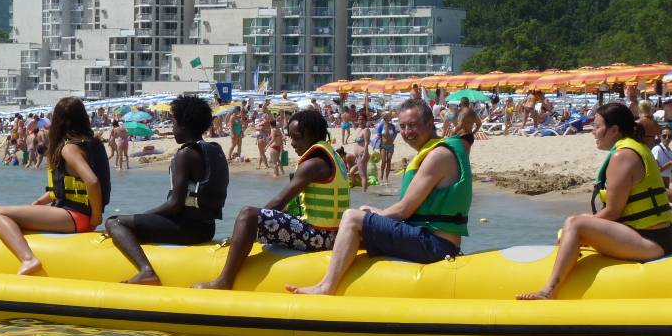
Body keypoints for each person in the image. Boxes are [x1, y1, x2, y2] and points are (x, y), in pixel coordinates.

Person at [287, 98, 471, 295]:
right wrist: (370, 214)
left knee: (351, 217)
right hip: (428, 238)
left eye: (412, 125)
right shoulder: (436, 151)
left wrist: (366, 218)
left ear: (430, 123)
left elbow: (403, 211)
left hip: (436, 245)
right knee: (364, 210)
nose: (407, 132)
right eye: (402, 126)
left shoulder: (438, 155)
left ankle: (326, 287)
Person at [518, 103, 672, 300]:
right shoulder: (637, 147)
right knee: (576, 223)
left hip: (650, 242)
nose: (593, 132)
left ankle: (548, 291)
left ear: (614, 130)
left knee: (574, 223)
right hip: (658, 236)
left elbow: (613, 212)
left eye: (597, 126)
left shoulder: (623, 155)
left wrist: (573, 232)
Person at [195, 109, 349, 291]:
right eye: (290, 137)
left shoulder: (312, 164)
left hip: (319, 238)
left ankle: (224, 281)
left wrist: (253, 223)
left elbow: (279, 202)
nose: (293, 143)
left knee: (248, 214)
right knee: (264, 219)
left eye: (298, 137)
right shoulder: (332, 157)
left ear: (313, 134)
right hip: (333, 236)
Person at [105, 94, 229, 285]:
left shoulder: (185, 154)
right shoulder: (215, 149)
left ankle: (146, 271)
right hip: (207, 228)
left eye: (174, 123)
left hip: (187, 229)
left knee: (115, 222)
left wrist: (141, 217)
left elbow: (174, 205)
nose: (173, 128)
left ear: (183, 126)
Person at [0, 97, 111, 275]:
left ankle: (28, 259)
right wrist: (38, 203)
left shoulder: (69, 148)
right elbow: (69, 187)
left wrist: (96, 217)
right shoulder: (93, 143)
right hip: (79, 216)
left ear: (58, 121)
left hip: (75, 217)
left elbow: (92, 182)